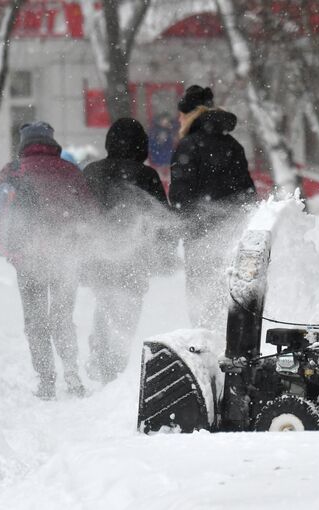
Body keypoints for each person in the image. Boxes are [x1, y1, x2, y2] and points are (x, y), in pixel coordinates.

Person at [0, 122, 95, 400]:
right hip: (66, 258)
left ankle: (47, 381)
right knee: (62, 317)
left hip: (28, 259)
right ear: (52, 142)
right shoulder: (71, 171)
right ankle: (72, 373)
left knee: (36, 321)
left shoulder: (12, 172)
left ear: (23, 144)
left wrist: (6, 250)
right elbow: (89, 214)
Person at [82, 117, 172, 383]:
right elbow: (161, 221)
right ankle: (118, 364)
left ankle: (100, 353)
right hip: (135, 258)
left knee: (104, 301)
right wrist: (164, 254)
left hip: (97, 256)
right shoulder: (145, 175)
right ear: (141, 145)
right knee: (129, 308)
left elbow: (78, 213)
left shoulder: (91, 171)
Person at [168, 85, 256, 326]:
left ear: (188, 114)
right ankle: (228, 351)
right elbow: (247, 194)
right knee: (227, 298)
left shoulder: (189, 146)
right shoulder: (233, 145)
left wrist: (179, 227)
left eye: (180, 114)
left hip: (200, 238)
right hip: (232, 237)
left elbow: (180, 197)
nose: (178, 119)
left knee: (201, 302)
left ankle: (203, 350)